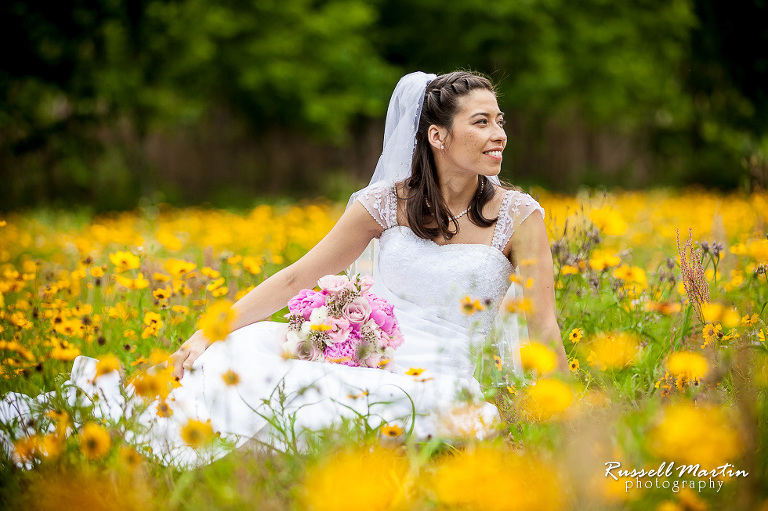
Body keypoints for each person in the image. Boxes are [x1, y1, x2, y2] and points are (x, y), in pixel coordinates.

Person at [1, 71, 567, 467]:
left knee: (383, 410)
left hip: (438, 375)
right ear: (438, 136)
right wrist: (206, 333)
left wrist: (563, 416)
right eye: (482, 122)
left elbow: (544, 328)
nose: (499, 135)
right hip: (364, 351)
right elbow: (297, 277)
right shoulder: (385, 204)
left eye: (500, 121)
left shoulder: (520, 218)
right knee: (243, 357)